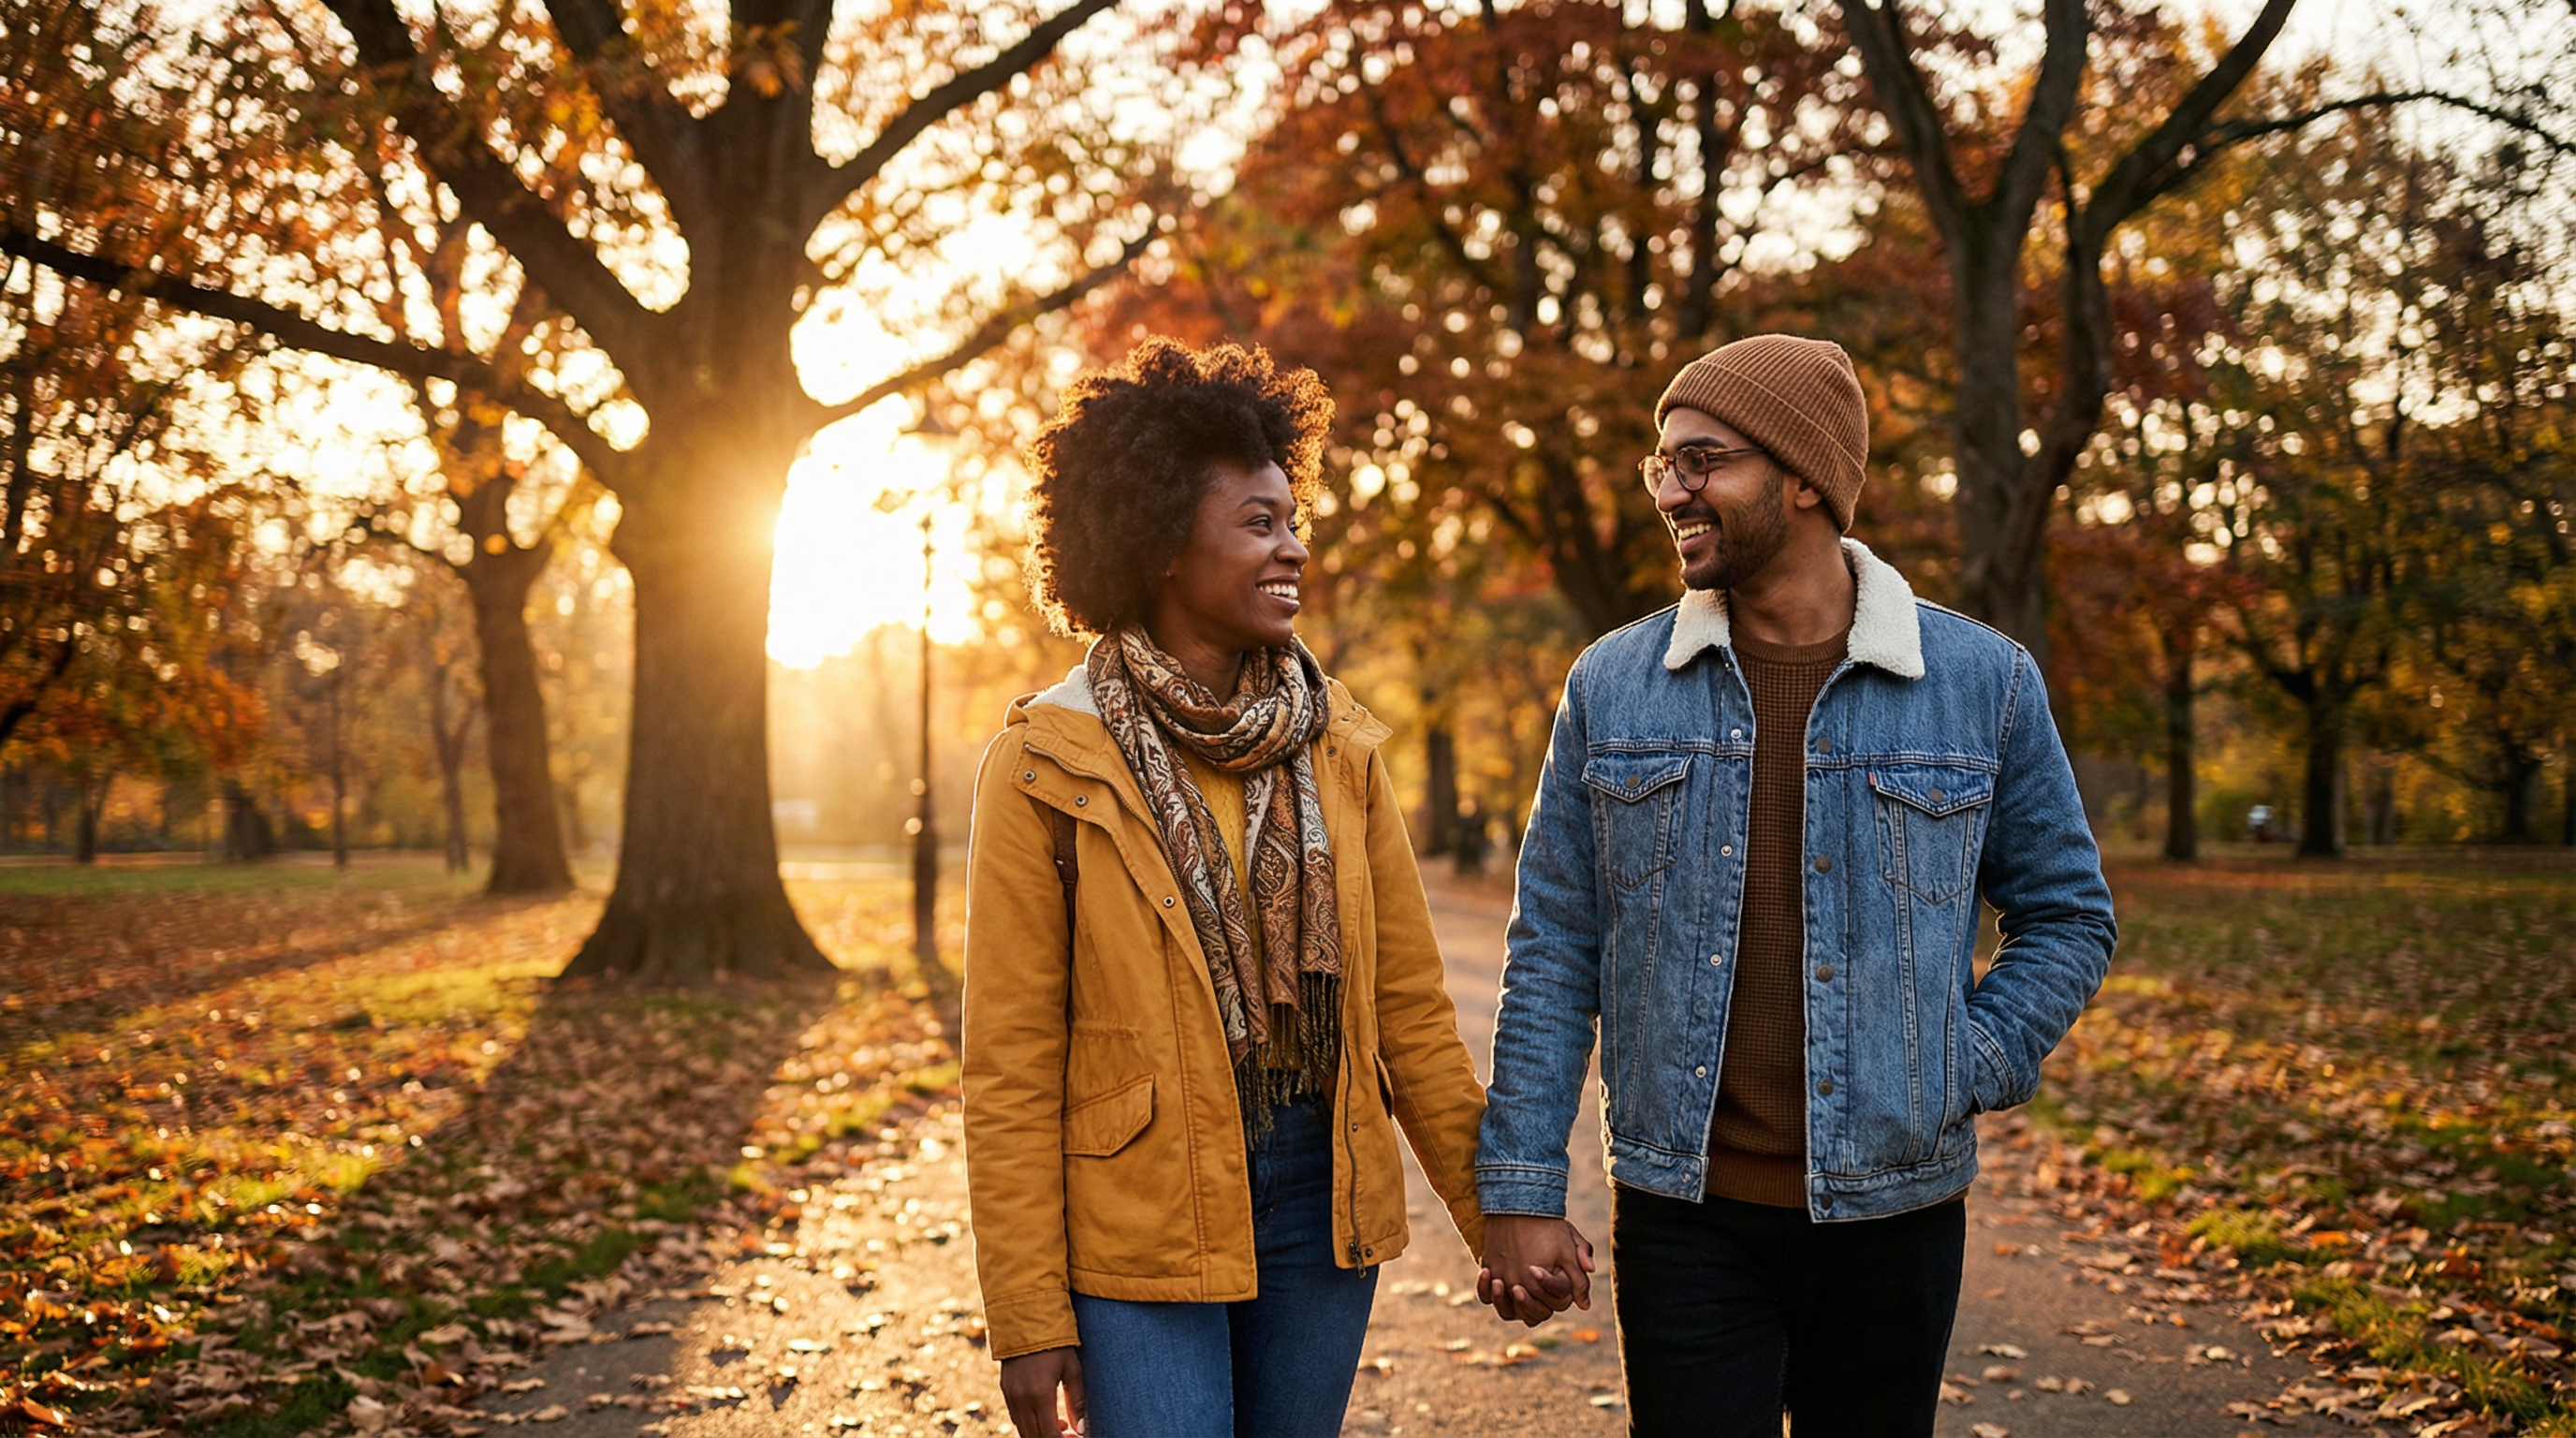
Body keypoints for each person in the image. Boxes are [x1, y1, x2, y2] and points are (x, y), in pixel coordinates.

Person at [1471, 334, 2117, 1437]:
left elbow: (2066, 913)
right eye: (1661, 466)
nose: (1672, 491)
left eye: (1702, 461)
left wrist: (1967, 1057)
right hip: (1687, 1213)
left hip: (1896, 1213)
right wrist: (1522, 1186)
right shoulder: (1613, 687)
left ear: (1804, 475)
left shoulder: (1979, 683)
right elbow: (1555, 948)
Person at [961, 338, 1488, 1438]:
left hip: (1317, 1190)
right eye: (1259, 524)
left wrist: (1500, 1220)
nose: (1293, 550)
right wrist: (1027, 1314)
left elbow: (1408, 1011)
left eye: (1294, 522)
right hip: (1138, 1213)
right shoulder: (1045, 764)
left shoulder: (1339, 745)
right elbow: (1009, 1063)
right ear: (1160, 541)